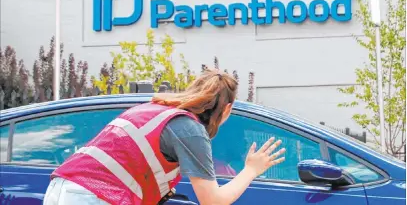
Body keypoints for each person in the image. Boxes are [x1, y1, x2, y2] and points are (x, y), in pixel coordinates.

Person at [43, 70, 286, 205]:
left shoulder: (154, 109)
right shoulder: (190, 130)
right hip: (91, 197)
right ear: (227, 109)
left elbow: (131, 163)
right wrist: (251, 170)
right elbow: (213, 201)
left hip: (61, 190)